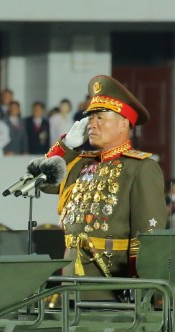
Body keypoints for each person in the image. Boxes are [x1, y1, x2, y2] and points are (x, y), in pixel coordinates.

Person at [43, 75, 167, 277]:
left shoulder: (140, 168)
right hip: (71, 277)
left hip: (109, 281)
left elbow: (147, 239)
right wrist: (67, 147)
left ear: (123, 124)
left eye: (100, 117)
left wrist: (139, 289)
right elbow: (42, 181)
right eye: (90, 118)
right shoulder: (81, 163)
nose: (92, 124)